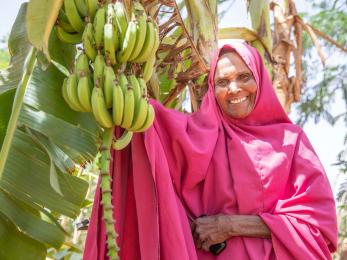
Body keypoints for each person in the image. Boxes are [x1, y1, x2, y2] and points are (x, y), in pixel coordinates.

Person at [83, 42, 338, 260]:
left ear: (259, 79)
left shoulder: (291, 141)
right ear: (212, 90)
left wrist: (229, 225)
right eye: (222, 82)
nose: (234, 89)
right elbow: (150, 127)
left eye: (244, 77)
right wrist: (121, 90)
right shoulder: (198, 135)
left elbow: (317, 227)